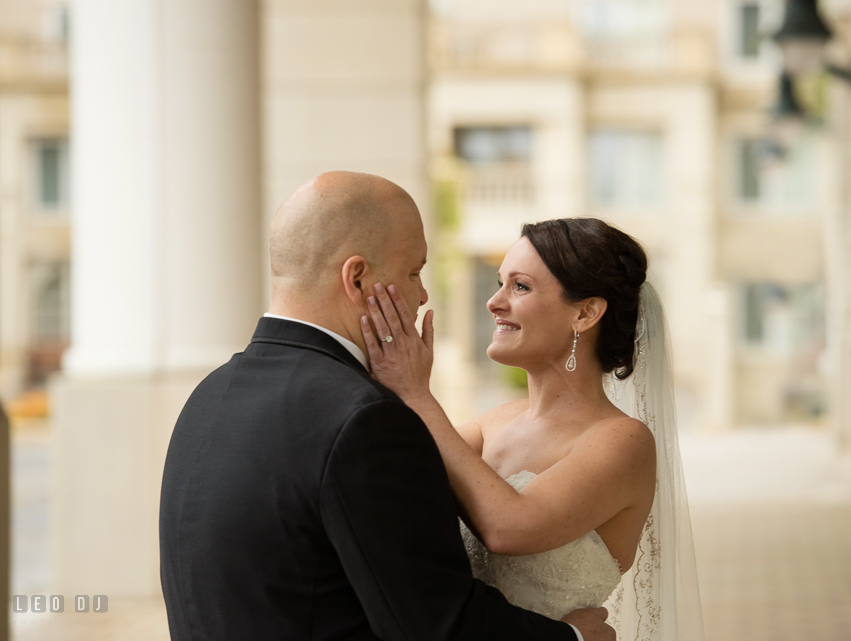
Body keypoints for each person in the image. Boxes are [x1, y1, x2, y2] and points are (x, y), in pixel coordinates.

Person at [159, 172, 613, 641]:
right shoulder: (364, 418)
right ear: (357, 278)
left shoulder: (209, 395)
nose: (422, 295)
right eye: (414, 272)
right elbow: (436, 625)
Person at [361, 218, 705, 640]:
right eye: (499, 282)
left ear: (585, 313)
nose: (493, 302)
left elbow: (507, 528)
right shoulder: (491, 424)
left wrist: (417, 395)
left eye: (519, 286)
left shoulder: (622, 441)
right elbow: (390, 489)